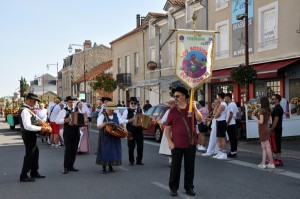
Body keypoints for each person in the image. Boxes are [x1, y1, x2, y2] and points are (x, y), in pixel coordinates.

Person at [165, 87, 203, 197]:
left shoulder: (192, 108)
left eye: (177, 96)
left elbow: (200, 119)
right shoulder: (172, 111)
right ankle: (173, 188)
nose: (175, 98)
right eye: (174, 96)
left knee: (190, 168)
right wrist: (169, 142)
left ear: (184, 96)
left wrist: (195, 109)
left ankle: (189, 187)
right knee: (175, 168)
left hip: (190, 143)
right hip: (176, 144)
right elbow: (167, 128)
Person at [19, 93, 48, 182]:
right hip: (28, 134)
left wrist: (38, 124)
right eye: (35, 101)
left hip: (30, 134)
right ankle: (23, 175)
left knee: (35, 152)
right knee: (29, 154)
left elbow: (31, 123)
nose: (35, 103)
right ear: (30, 100)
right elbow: (27, 126)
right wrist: (41, 128)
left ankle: (34, 171)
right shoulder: (25, 110)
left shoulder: (28, 109)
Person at [96, 102, 127, 173]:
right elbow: (98, 126)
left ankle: (110, 166)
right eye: (110, 110)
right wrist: (103, 124)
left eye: (112, 110)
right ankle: (104, 167)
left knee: (113, 151)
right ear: (106, 109)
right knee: (105, 151)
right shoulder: (102, 116)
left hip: (115, 136)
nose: (111, 111)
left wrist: (124, 128)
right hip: (105, 136)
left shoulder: (116, 115)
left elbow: (122, 122)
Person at [55, 96, 80, 174]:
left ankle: (71, 166)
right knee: (68, 149)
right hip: (68, 132)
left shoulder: (77, 109)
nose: (72, 103)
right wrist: (65, 120)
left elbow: (81, 118)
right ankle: (65, 167)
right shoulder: (63, 111)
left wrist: (84, 120)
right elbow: (57, 121)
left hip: (76, 131)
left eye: (73, 102)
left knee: (74, 149)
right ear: (67, 102)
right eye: (70, 102)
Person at [253, 97, 275, 169]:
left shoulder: (262, 110)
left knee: (266, 147)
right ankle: (264, 162)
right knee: (265, 147)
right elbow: (270, 122)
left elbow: (261, 122)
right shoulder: (268, 110)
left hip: (262, 130)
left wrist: (255, 118)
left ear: (262, 102)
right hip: (267, 129)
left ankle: (270, 163)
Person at [122, 97, 144, 165]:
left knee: (140, 146)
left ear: (137, 103)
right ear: (130, 103)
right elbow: (122, 120)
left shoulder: (140, 110)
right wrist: (129, 120)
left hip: (139, 130)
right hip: (130, 131)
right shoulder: (126, 110)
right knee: (131, 146)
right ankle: (131, 160)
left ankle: (139, 160)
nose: (133, 104)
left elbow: (144, 117)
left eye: (135, 103)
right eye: (132, 103)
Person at [158, 97, 176, 166]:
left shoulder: (171, 111)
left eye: (172, 103)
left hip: (175, 131)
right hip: (170, 130)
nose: (171, 105)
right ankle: (171, 160)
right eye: (170, 104)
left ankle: (173, 160)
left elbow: (162, 121)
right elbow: (163, 120)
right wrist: (160, 122)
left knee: (175, 146)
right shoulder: (168, 111)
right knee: (171, 146)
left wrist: (160, 122)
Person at [213, 92, 228, 160]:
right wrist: (216, 107)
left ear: (219, 97)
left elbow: (216, 115)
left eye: (217, 97)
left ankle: (224, 153)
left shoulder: (222, 105)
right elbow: (214, 113)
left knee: (222, 138)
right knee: (218, 137)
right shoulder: (220, 104)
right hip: (219, 121)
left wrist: (215, 114)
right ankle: (220, 151)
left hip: (222, 121)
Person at [271, 94, 284, 166]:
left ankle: (279, 160)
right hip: (278, 128)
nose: (272, 100)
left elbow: (276, 120)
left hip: (277, 129)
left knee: (277, 143)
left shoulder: (277, 108)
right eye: (272, 99)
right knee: (275, 143)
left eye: (273, 99)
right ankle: (277, 159)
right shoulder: (276, 107)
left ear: (277, 100)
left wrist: (272, 128)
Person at [225, 93, 238, 158]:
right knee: (233, 138)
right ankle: (234, 151)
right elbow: (237, 112)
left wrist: (227, 122)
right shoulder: (232, 104)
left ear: (229, 97)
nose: (225, 98)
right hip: (232, 122)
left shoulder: (231, 104)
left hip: (231, 123)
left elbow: (231, 114)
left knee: (232, 138)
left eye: (226, 97)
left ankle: (233, 152)